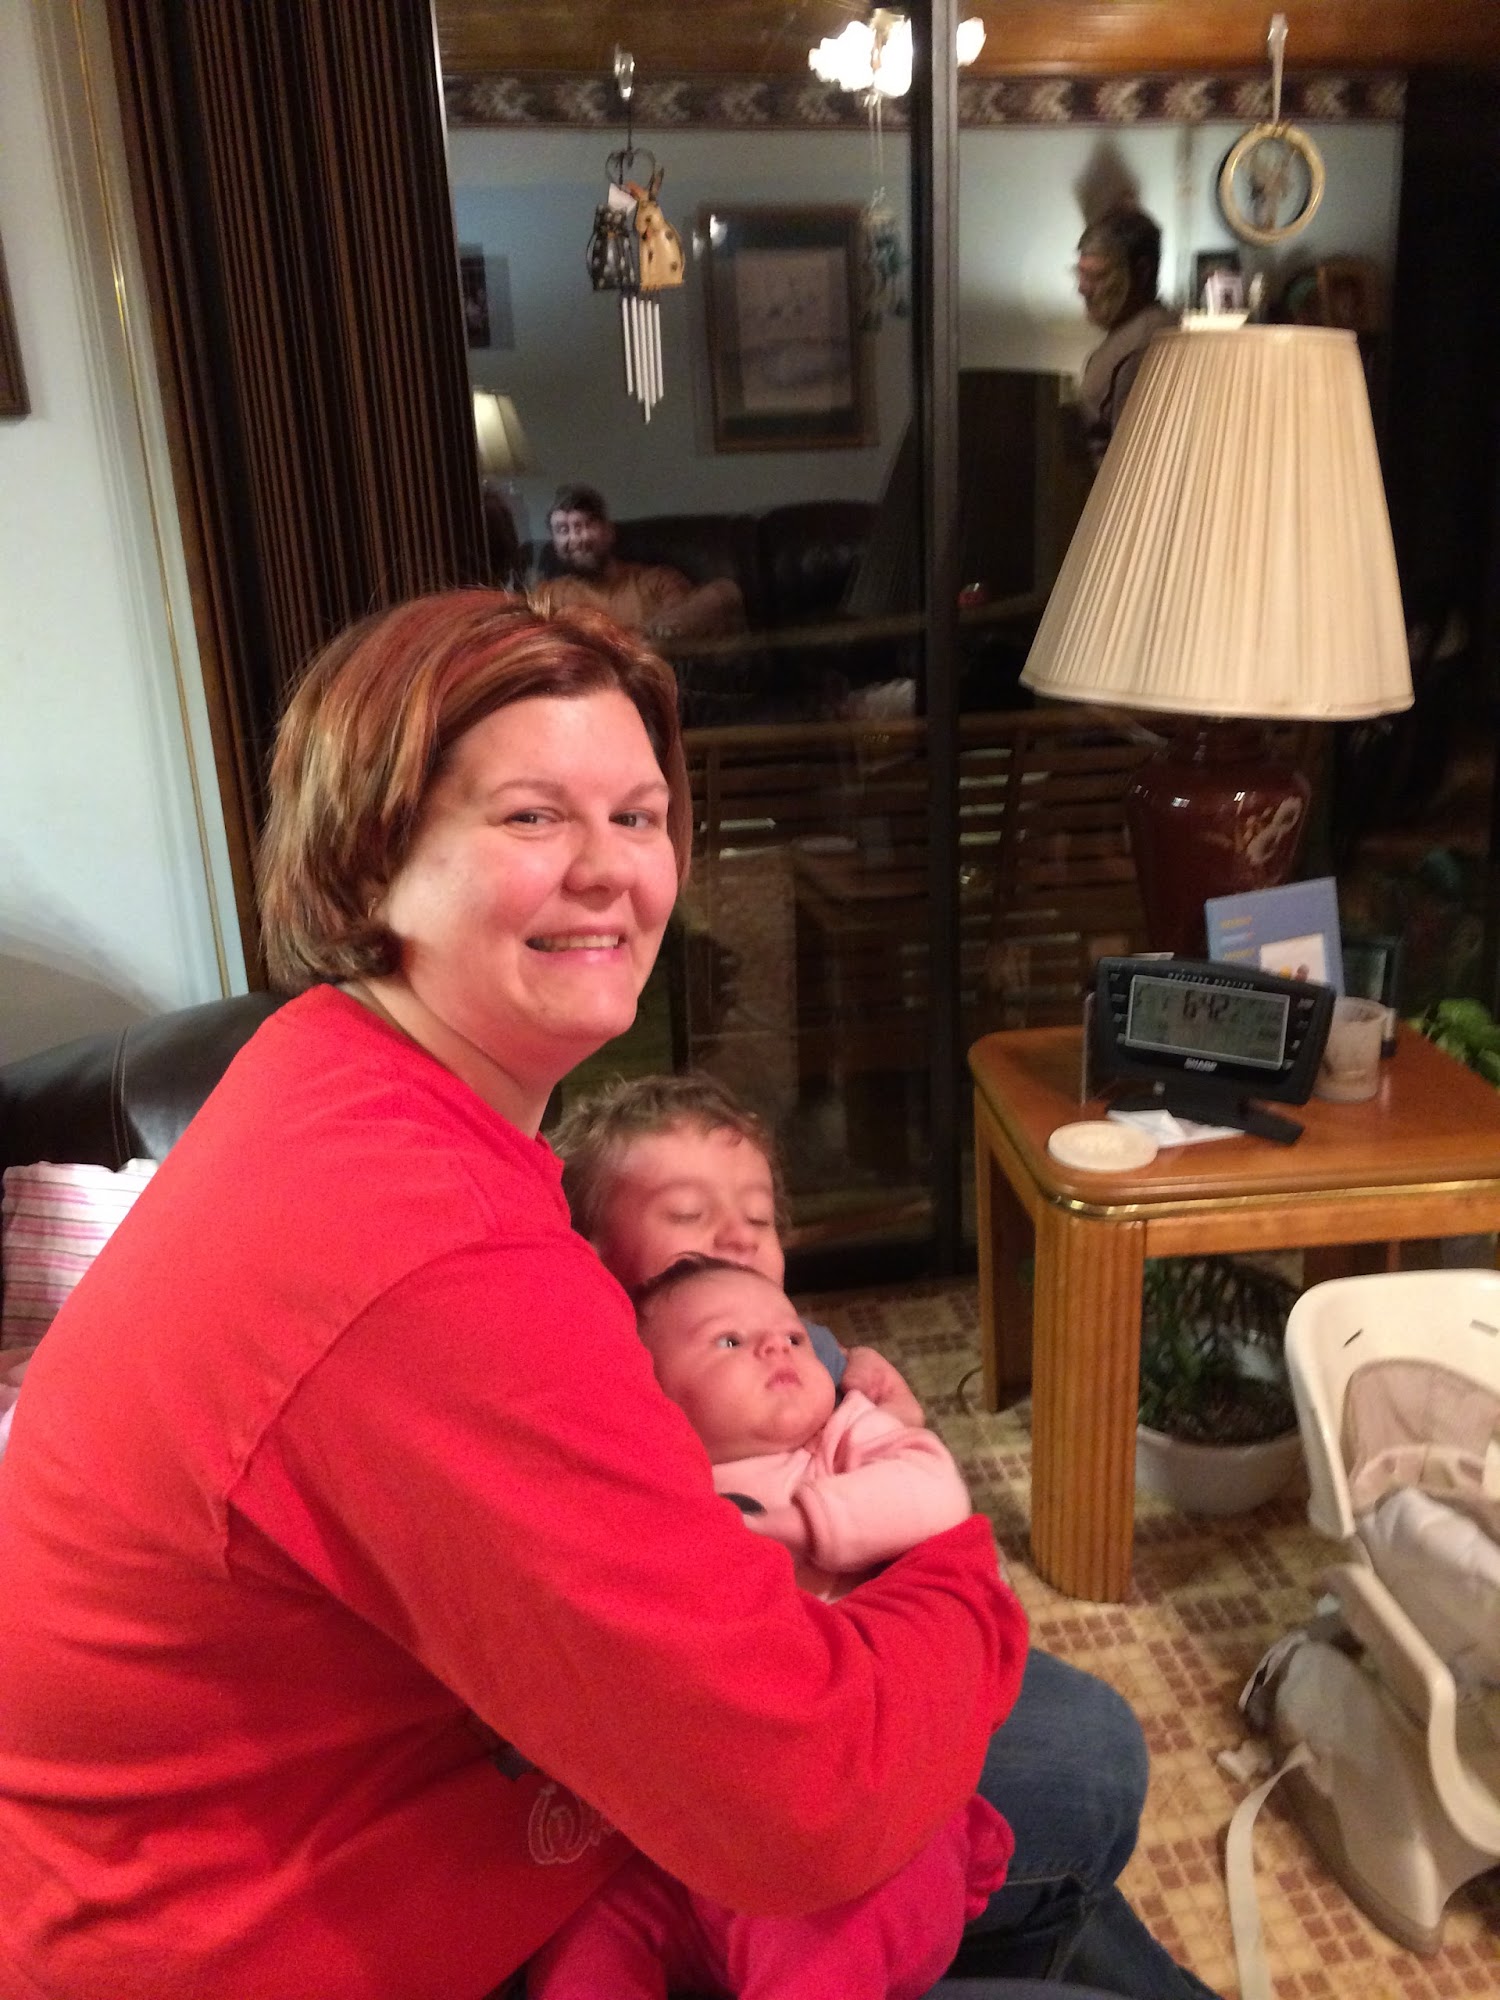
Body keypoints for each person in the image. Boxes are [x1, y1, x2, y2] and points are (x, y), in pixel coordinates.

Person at [0, 592, 1024, 2000]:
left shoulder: (324, 1059)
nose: (609, 870)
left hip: (343, 1803)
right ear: (369, 864)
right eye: (532, 816)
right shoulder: (426, 1252)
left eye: (639, 816)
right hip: (240, 1937)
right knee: (1069, 1760)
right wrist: (959, 1554)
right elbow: (804, 1804)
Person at [553, 1070, 1226, 1998]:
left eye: (759, 1216)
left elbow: (929, 1502)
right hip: (709, 1764)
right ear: (591, 1261)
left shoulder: (822, 1381)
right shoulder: (600, 1408)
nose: (740, 1238)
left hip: (856, 1712)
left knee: (871, 1900)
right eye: (688, 1215)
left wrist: (858, 1464)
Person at [528, 1255, 1015, 2000]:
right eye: (729, 1341)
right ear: (650, 1396)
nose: (776, 1348)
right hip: (697, 1833)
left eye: (791, 1335)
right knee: (586, 1935)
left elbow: (934, 1493)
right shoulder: (656, 1481)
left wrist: (798, 1524)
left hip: (851, 1840)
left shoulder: (841, 1437)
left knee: (816, 1948)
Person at [541, 482, 746, 643]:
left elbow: (684, 630)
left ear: (609, 532)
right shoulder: (550, 595)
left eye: (584, 526)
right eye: (563, 530)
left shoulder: (657, 581)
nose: (575, 539)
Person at [1074, 205, 1179, 469]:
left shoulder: (1146, 346)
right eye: (1080, 274)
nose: (1082, 289)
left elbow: (1137, 463)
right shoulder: (1126, 340)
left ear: (1141, 272)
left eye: (1097, 276)